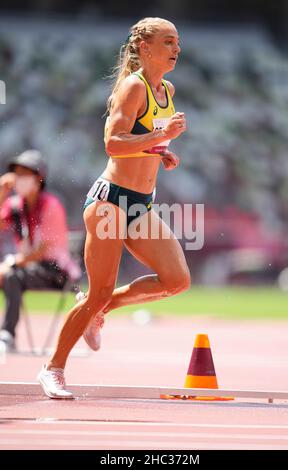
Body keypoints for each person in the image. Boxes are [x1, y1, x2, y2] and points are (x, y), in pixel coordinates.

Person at [37, 17, 190, 399]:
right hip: (111, 202)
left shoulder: (165, 89)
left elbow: (140, 142)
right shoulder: (132, 87)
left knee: (177, 281)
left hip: (141, 204)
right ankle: (52, 368)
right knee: (99, 289)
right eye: (168, 42)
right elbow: (114, 143)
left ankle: (101, 309)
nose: (176, 49)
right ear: (145, 48)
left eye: (178, 43)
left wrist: (161, 152)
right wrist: (161, 136)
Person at [0, 150, 81, 351]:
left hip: (57, 271)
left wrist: (11, 263)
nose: (19, 179)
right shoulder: (15, 205)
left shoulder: (50, 205)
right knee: (10, 276)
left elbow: (42, 249)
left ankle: (7, 335)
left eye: (25, 173)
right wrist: (2, 192)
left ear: (39, 178)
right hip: (28, 268)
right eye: (17, 173)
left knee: (11, 276)